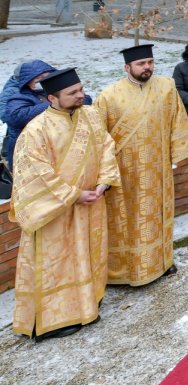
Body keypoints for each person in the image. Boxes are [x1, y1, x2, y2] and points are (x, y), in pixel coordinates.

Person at [10, 68, 120, 341]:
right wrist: (73, 195)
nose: (80, 95)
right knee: (55, 264)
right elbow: (34, 174)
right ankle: (50, 321)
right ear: (51, 98)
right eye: (72, 93)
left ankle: (87, 305)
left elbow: (107, 146)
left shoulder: (91, 116)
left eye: (81, 90)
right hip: (56, 212)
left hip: (91, 204)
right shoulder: (36, 131)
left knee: (88, 255)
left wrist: (104, 181)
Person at [94, 44, 188, 286]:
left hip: (158, 167)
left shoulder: (166, 86)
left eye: (150, 62)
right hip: (125, 172)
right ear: (127, 67)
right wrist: (104, 173)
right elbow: (98, 138)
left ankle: (161, 262)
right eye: (141, 64)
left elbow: (177, 120)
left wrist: (178, 153)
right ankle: (125, 272)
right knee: (127, 221)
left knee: (157, 215)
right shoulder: (108, 96)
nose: (147, 67)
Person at [1, 59, 57, 185]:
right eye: (38, 77)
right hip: (24, 139)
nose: (42, 80)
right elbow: (8, 115)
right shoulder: (13, 92)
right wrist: (53, 105)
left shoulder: (50, 88)